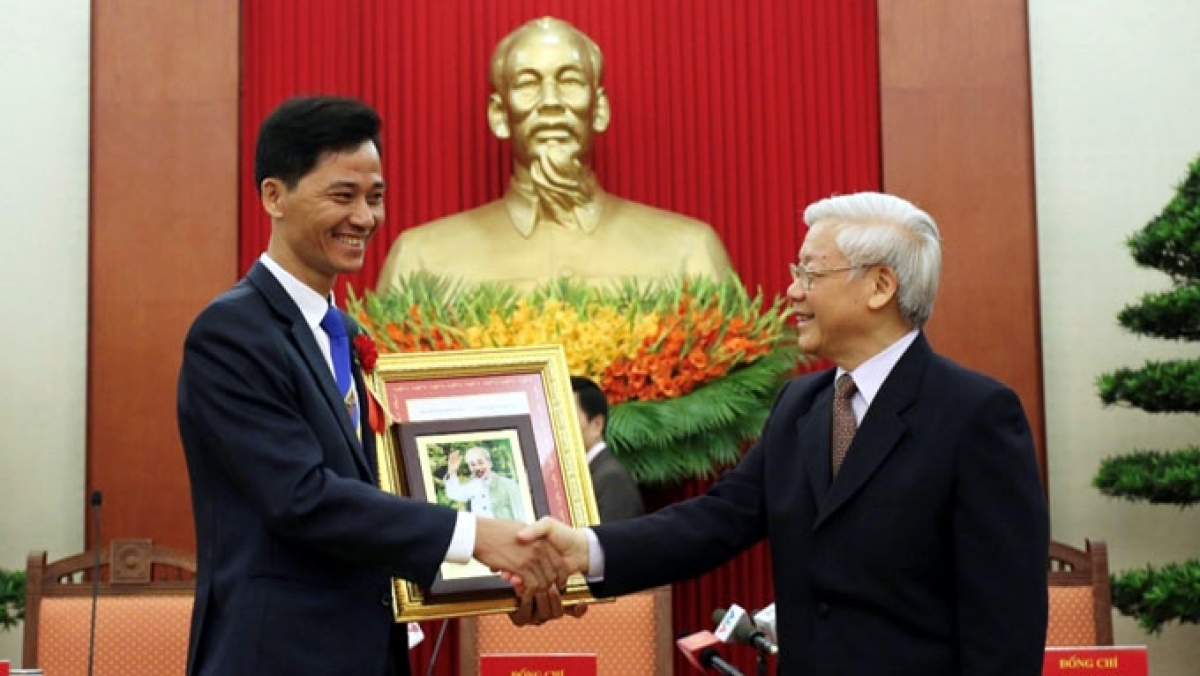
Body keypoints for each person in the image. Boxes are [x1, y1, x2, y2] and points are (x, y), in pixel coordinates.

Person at [522, 192, 1050, 674]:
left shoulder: (974, 414)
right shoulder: (801, 405)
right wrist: (584, 549)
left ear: (880, 286)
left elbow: (1006, 623)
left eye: (811, 273)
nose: (793, 291)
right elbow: (715, 520)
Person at [177, 96, 568, 676]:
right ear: (274, 196)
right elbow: (301, 498)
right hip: (277, 656)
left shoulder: (347, 334)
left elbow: (380, 494)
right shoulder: (232, 333)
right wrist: (477, 535)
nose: (364, 217)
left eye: (375, 197)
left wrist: (500, 577)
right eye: (343, 196)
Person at [375, 16, 734, 292]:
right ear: (499, 115)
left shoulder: (689, 251)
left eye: (570, 82)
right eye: (528, 84)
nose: (550, 102)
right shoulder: (421, 259)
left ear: (599, 109)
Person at [571, 375, 643, 522]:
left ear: (597, 424)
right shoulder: (587, 472)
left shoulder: (612, 478)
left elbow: (614, 535)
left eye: (568, 417)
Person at [444, 446, 528, 522]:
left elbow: (521, 513)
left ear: (490, 463)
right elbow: (454, 494)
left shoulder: (508, 484)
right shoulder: (472, 485)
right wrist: (452, 471)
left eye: (480, 463)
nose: (477, 468)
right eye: (472, 464)